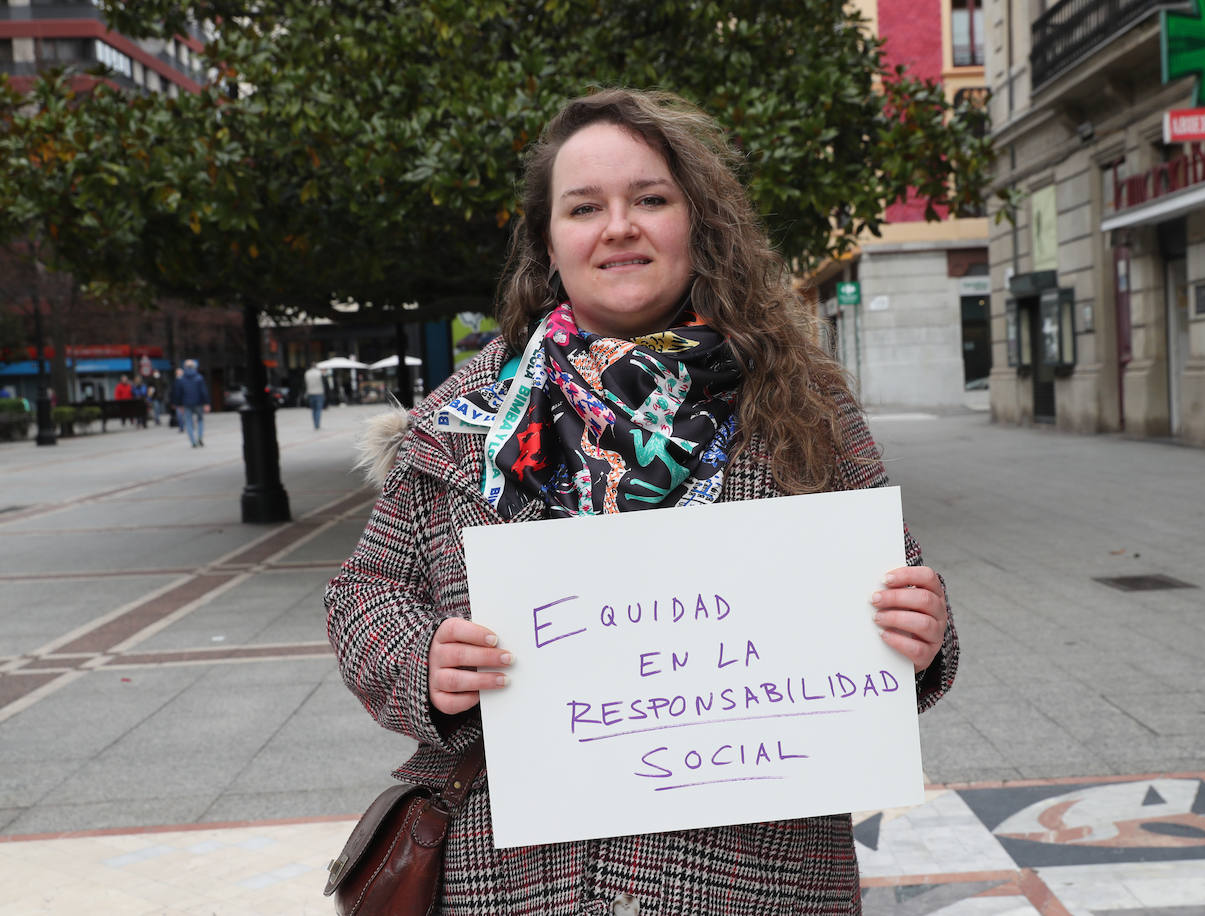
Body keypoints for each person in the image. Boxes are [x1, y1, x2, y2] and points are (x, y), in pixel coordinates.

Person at [324, 89, 957, 915]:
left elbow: (900, 593)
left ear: (697, 223)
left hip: (754, 879)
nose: (618, 227)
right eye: (584, 207)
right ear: (549, 243)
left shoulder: (802, 403)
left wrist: (923, 629)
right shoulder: (461, 418)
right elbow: (362, 595)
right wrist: (424, 663)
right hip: (516, 878)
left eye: (650, 200)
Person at [172, 359, 210, 447]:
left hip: (186, 404)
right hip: (198, 403)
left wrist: (179, 405)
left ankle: (193, 441)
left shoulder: (182, 379)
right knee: (200, 420)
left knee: (189, 422)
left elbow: (179, 393)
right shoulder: (199, 377)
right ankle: (200, 437)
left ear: (184, 367)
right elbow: (203, 391)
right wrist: (206, 403)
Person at [303, 362, 326, 429]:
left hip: (310, 393)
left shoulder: (307, 373)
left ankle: (315, 423)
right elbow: (324, 384)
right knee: (318, 409)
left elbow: (305, 384)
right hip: (319, 393)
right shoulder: (319, 373)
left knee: (313, 410)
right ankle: (317, 424)